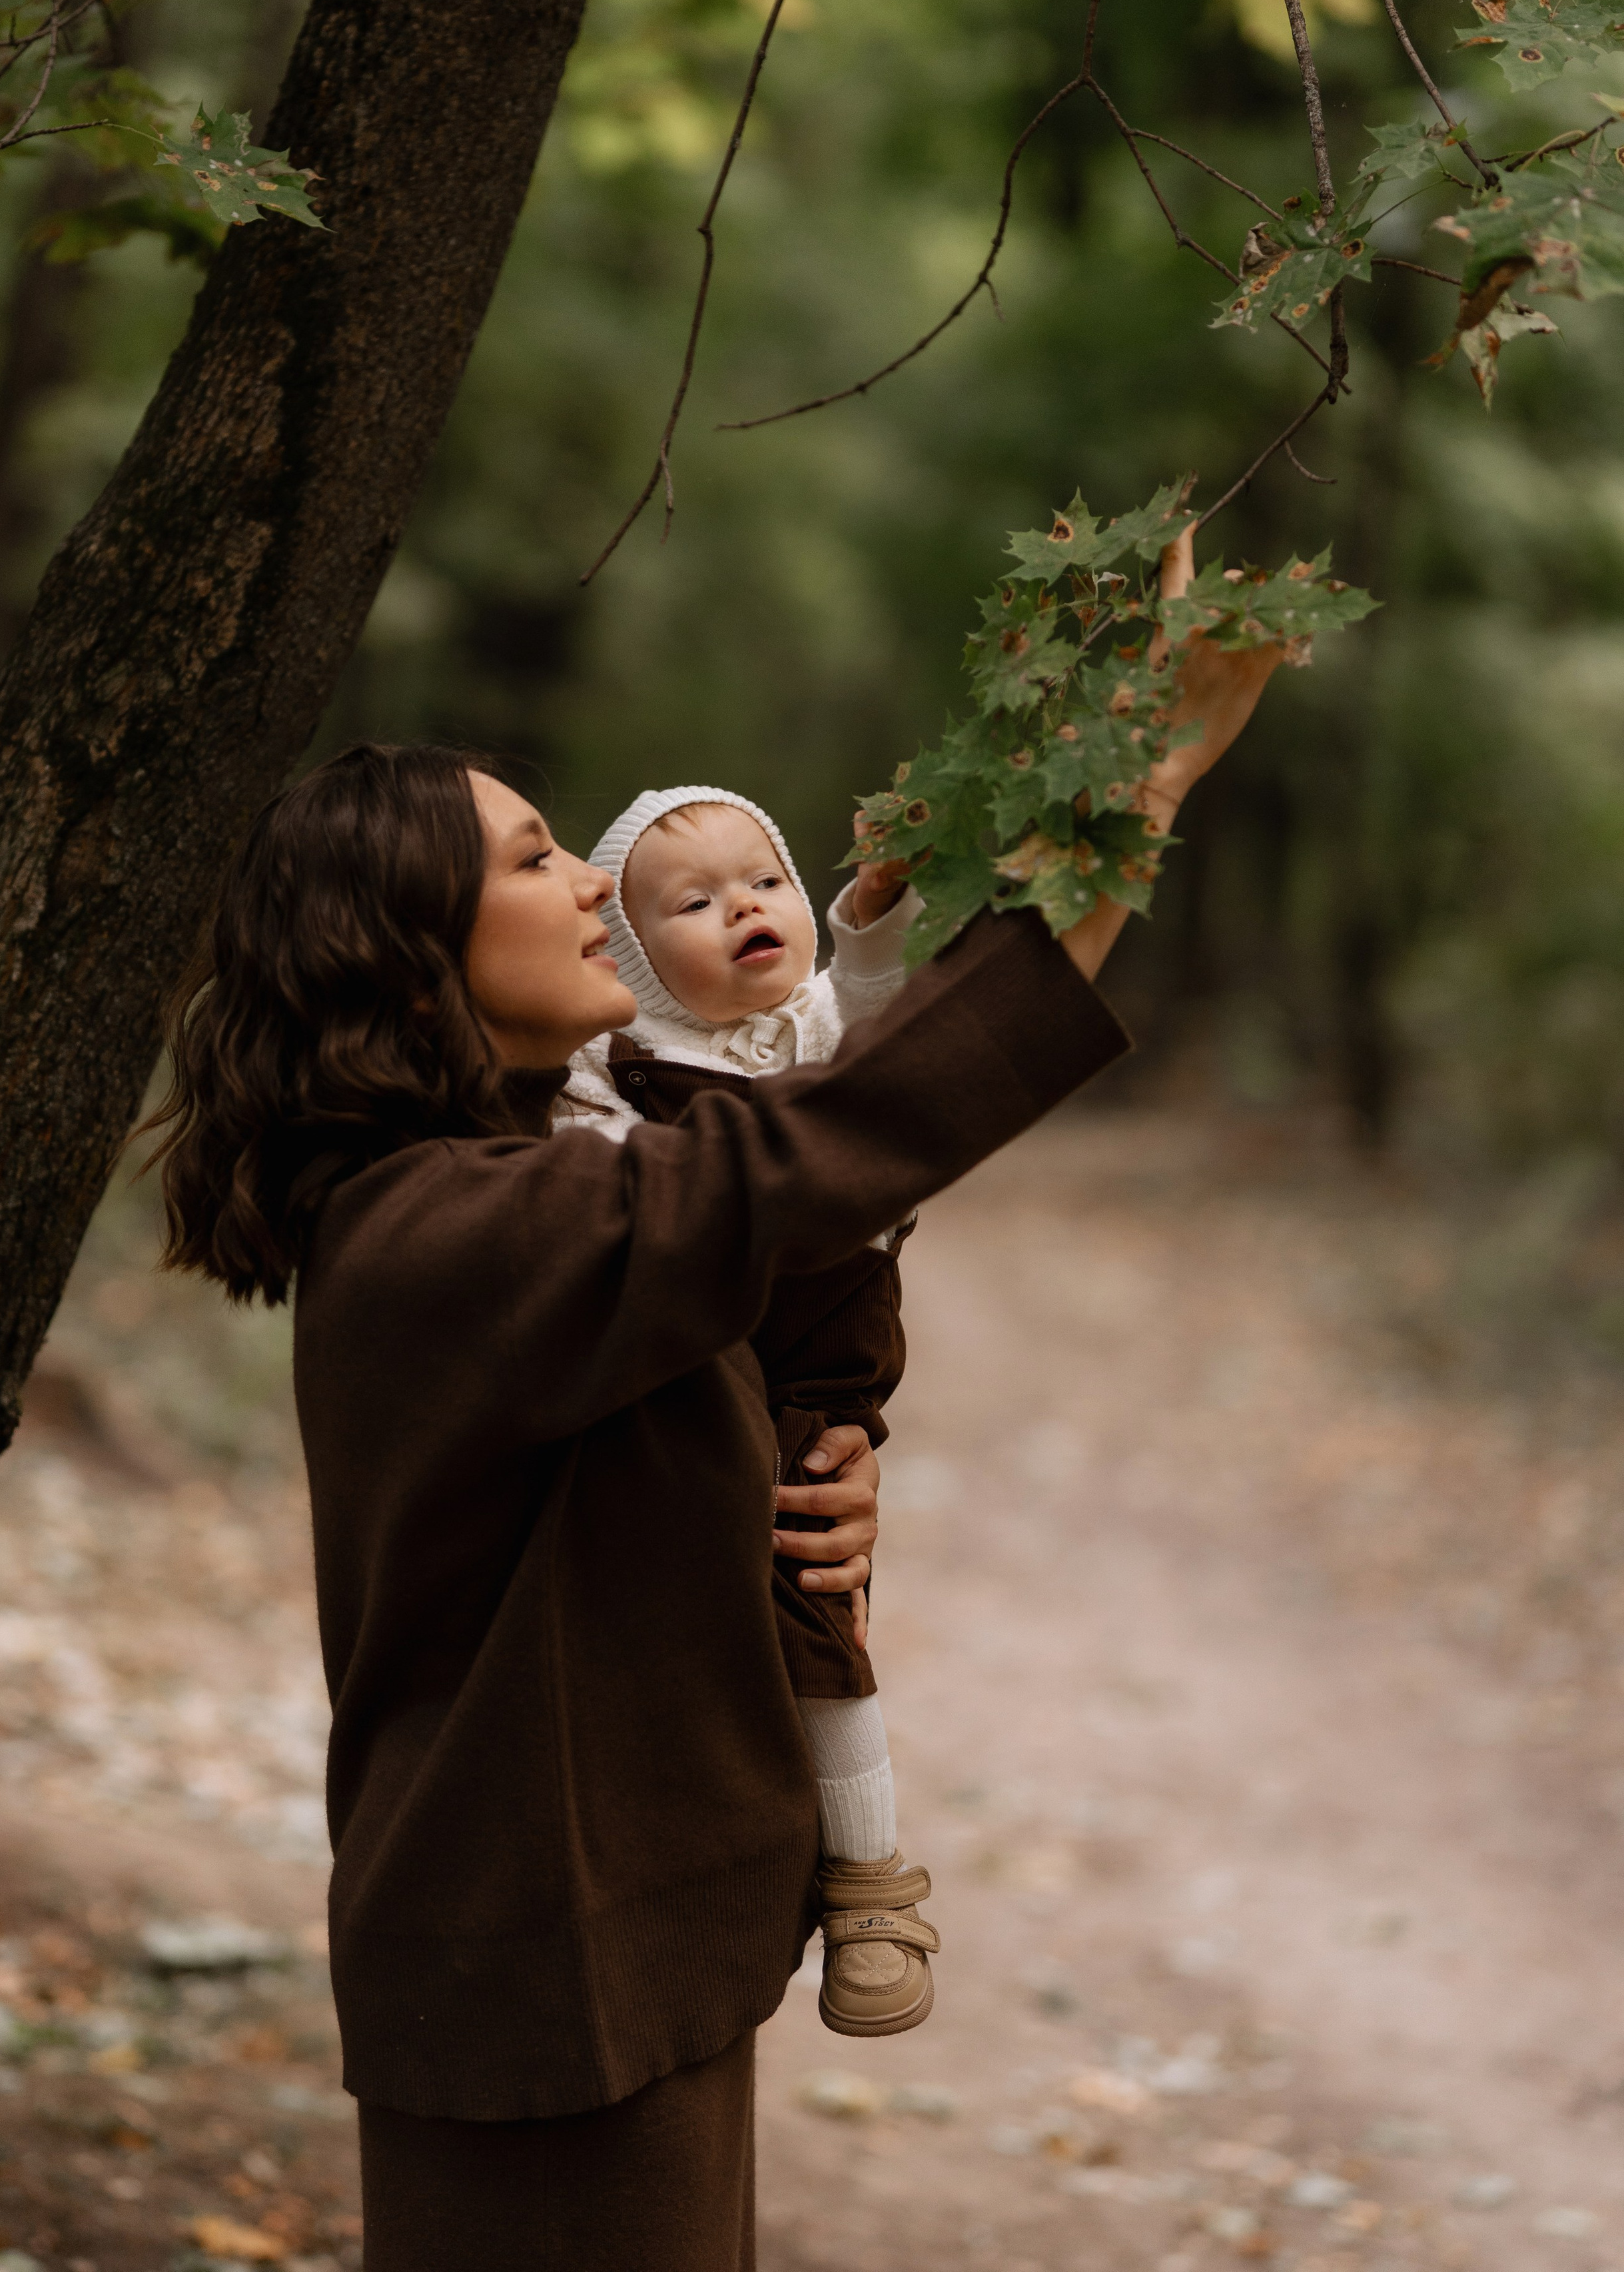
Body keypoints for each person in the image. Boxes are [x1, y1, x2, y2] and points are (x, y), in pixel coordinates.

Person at [145, 528, 1282, 2272]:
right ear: (411, 945)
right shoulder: (439, 1227)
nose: (592, 888)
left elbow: (763, 1278)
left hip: (626, 1944)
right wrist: (1142, 779)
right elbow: (814, 1151)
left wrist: (813, 1462)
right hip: (538, 1972)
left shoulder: (525, 1178)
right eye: (536, 861)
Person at [557, 784, 938, 2037]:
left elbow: (882, 1027)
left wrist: (871, 912)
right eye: (696, 902)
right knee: (745, 1617)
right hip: (714, 1364)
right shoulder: (623, 1067)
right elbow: (604, 1173)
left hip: (824, 1374)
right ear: (624, 953)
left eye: (765, 882)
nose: (745, 910)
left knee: (819, 1610)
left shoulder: (817, 1019)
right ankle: (759, 1860)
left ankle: (871, 1881)